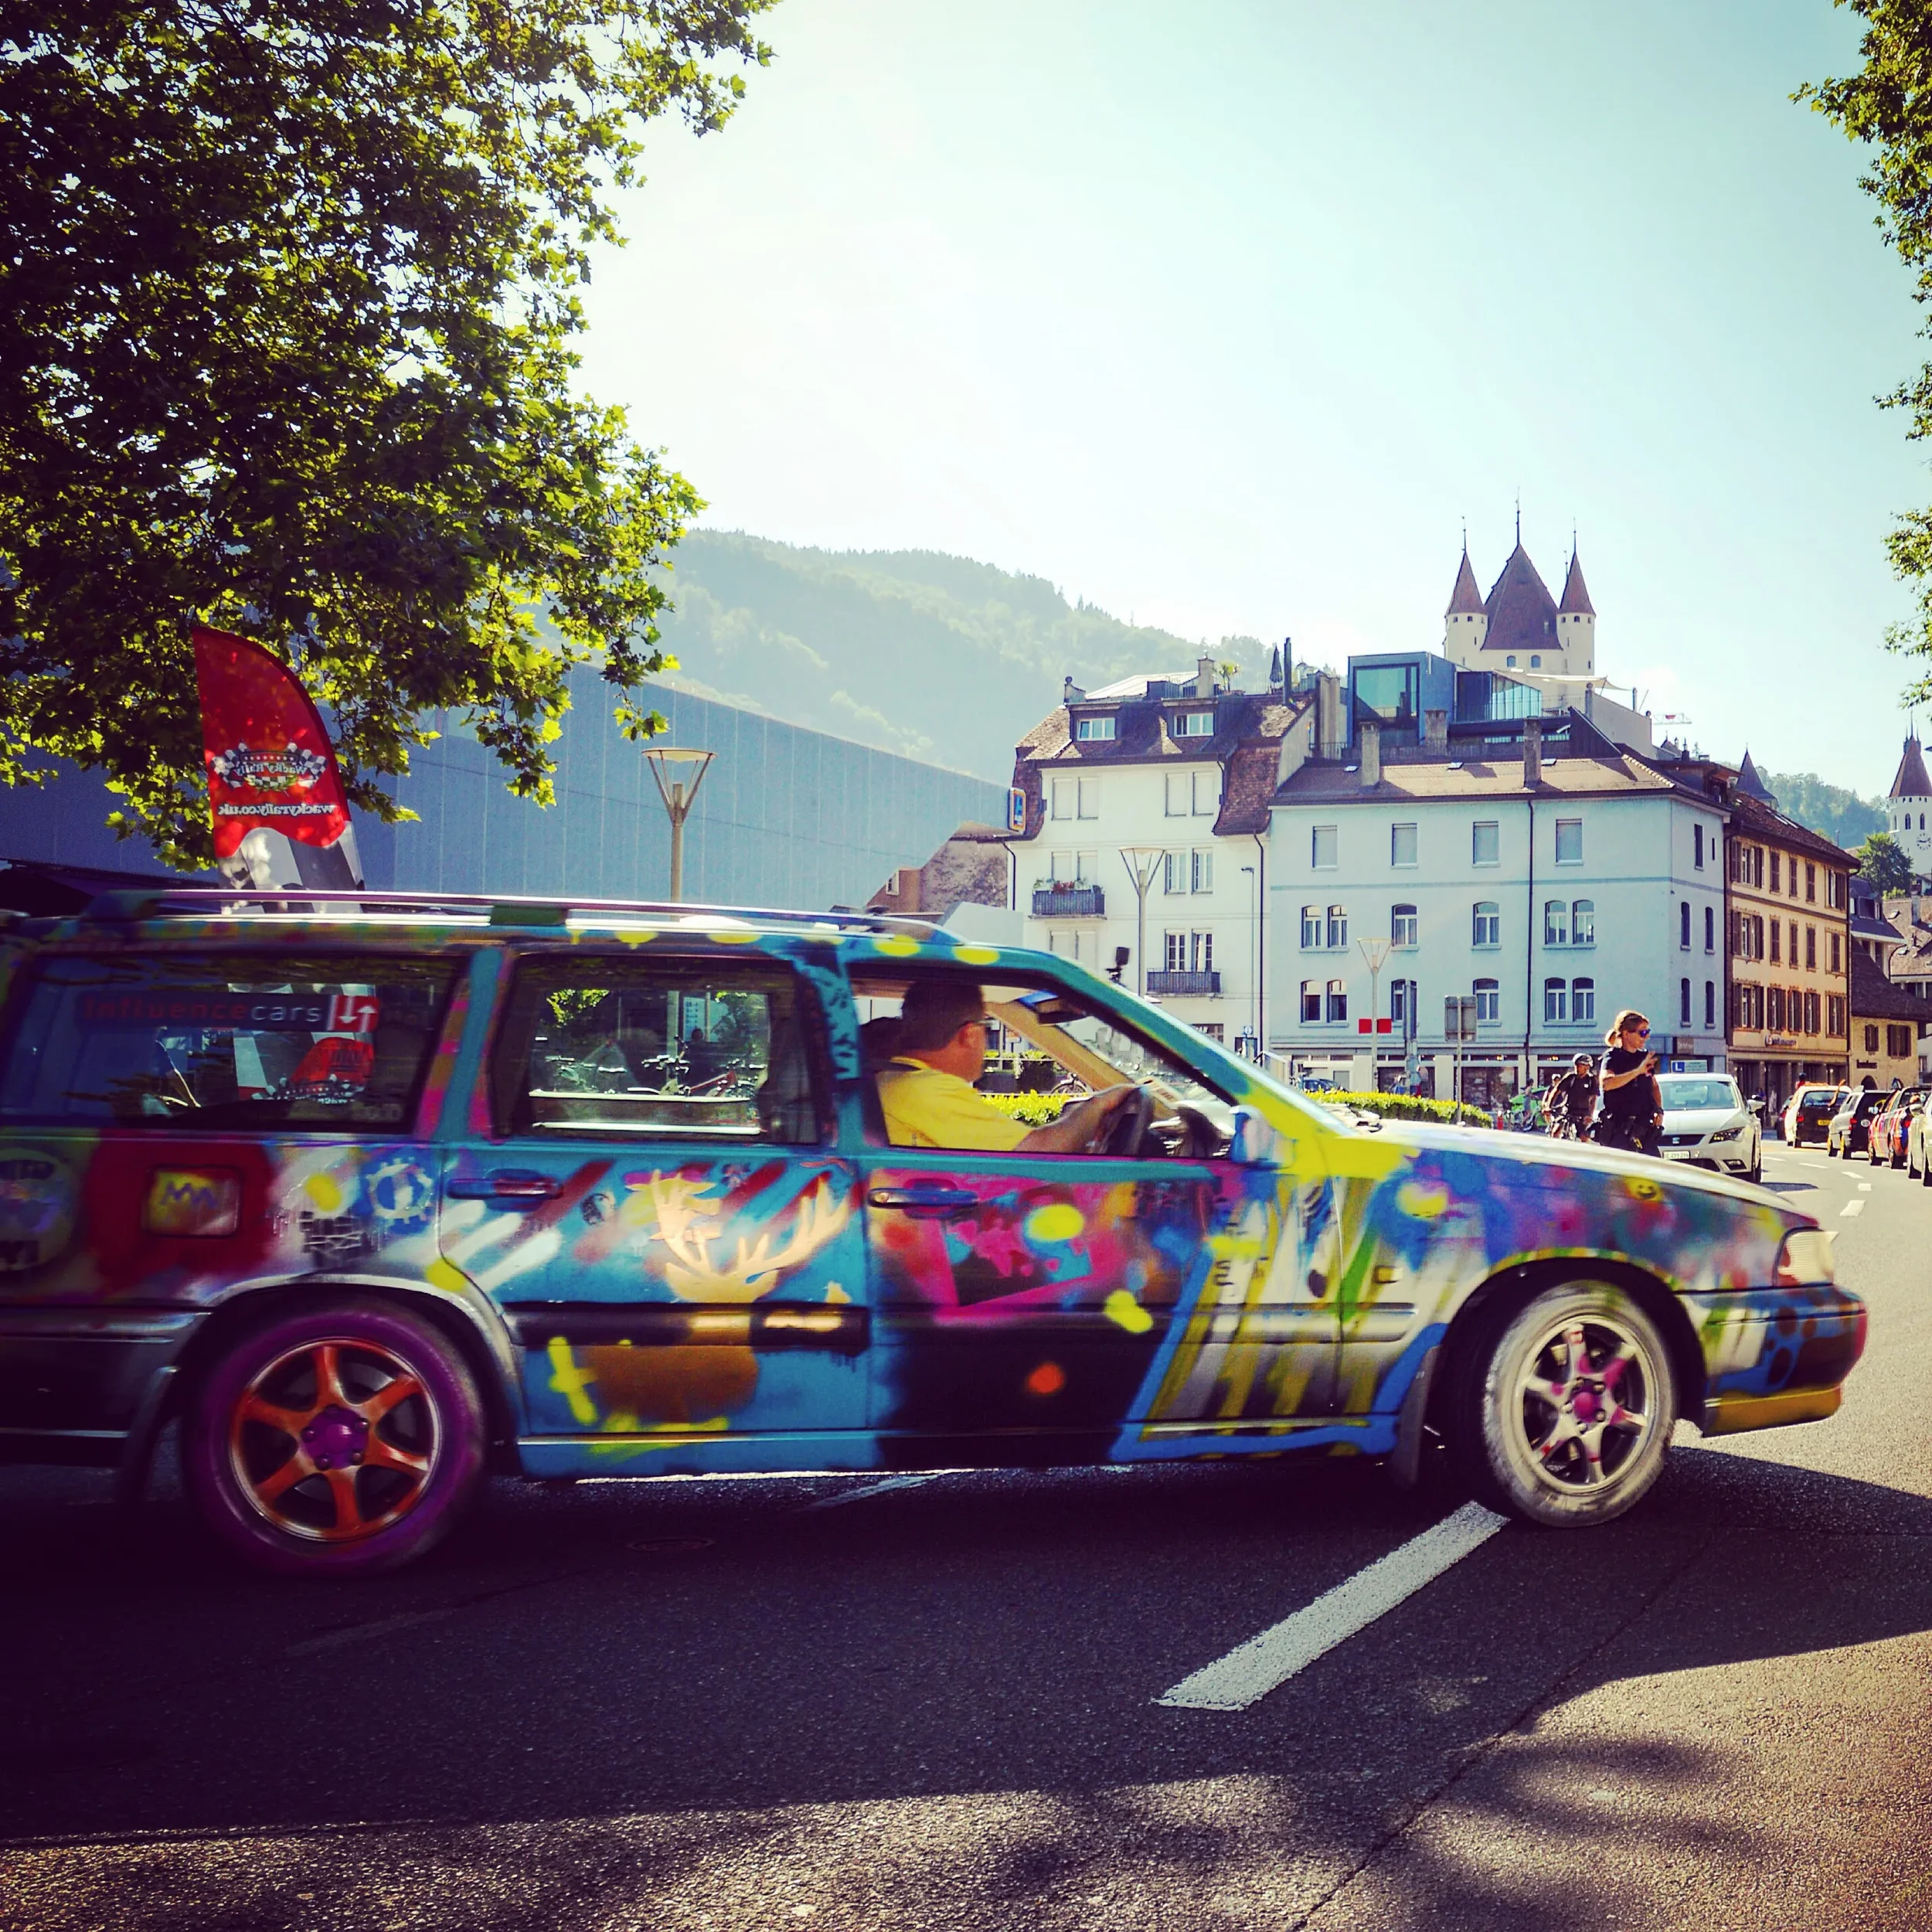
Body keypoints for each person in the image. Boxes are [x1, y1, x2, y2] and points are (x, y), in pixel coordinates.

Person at [876, 981, 1138, 1152]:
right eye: (986, 1028)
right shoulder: (928, 1091)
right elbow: (1037, 1153)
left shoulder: (894, 1080)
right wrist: (1099, 1104)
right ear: (970, 1034)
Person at [1594, 1009, 1661, 1155]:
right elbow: (1606, 1083)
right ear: (1626, 1034)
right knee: (1620, 1175)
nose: (1646, 1037)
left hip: (1644, 1129)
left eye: (1647, 1032)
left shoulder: (1643, 1057)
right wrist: (1637, 1072)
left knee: (1654, 1171)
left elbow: (1654, 1086)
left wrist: (1659, 1111)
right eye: (1642, 1033)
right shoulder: (1612, 1057)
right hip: (1620, 1131)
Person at [1546, 1054, 1598, 1139]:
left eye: (1579, 1065)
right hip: (1568, 1109)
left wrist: (1590, 1115)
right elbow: (1556, 1091)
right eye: (1576, 1065)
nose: (1576, 1068)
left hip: (1583, 1112)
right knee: (1556, 1132)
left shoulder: (1591, 1080)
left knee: (1584, 1136)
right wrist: (1549, 1107)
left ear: (1587, 1067)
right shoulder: (1570, 1078)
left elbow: (1594, 1099)